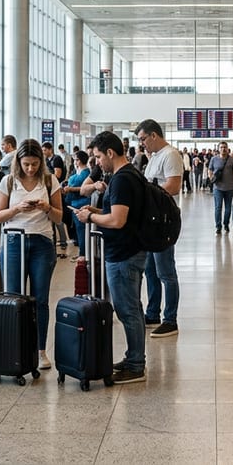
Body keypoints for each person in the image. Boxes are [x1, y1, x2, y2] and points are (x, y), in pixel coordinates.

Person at [73, 131, 147, 384]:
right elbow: (118, 211)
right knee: (133, 308)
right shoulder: (130, 175)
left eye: (97, 157)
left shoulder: (122, 179)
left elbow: (117, 220)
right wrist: (96, 210)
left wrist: (90, 217)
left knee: (128, 311)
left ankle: (136, 365)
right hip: (131, 250)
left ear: (110, 153)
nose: (96, 162)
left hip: (124, 255)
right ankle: (134, 357)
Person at [0, 139, 62, 371]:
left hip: (42, 243)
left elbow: (59, 218)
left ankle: (40, 350)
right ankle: (14, 347)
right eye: (26, 164)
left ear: (41, 162)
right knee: (13, 296)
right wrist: (17, 209)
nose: (30, 169)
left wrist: (46, 208)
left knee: (40, 299)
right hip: (14, 241)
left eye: (34, 164)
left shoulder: (50, 180)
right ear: (18, 162)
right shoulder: (8, 182)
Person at [137, 119, 183, 339]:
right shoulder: (154, 157)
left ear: (154, 135)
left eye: (143, 139)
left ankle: (170, 319)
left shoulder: (170, 155)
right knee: (151, 270)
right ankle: (152, 312)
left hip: (164, 221)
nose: (142, 144)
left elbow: (173, 186)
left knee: (166, 272)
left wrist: (147, 194)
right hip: (151, 222)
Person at [64, 150, 93, 259]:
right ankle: (82, 252)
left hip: (81, 203)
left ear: (79, 160)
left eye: (76, 159)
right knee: (79, 231)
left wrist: (70, 188)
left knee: (82, 231)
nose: (75, 162)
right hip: (74, 203)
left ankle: (83, 253)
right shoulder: (78, 172)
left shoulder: (86, 173)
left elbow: (84, 189)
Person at [209, 142, 233, 233]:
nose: (223, 149)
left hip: (229, 188)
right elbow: (210, 170)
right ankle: (218, 226)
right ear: (218, 149)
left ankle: (226, 224)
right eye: (221, 147)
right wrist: (211, 179)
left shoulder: (232, 160)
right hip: (217, 188)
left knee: (228, 208)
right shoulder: (214, 159)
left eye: (225, 147)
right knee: (218, 207)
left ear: (227, 148)